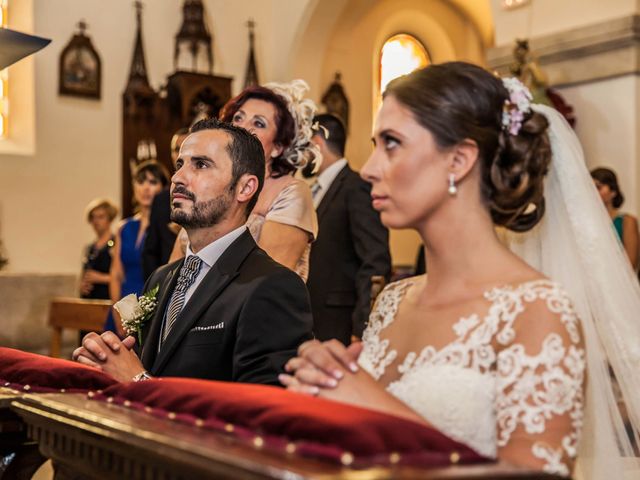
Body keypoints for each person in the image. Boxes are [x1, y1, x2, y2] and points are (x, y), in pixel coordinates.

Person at [281, 63, 640, 479]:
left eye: (392, 143)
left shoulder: (538, 311)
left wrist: (371, 405)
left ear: (459, 159)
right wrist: (332, 383)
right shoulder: (392, 301)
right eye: (375, 144)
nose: (371, 168)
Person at [73, 118, 313, 385]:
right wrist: (109, 365)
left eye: (200, 165)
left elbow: (262, 412)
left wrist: (138, 382)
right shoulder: (162, 279)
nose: (177, 178)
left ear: (245, 188)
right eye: (179, 165)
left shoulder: (273, 286)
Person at [169, 80, 319, 282]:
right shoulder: (211, 188)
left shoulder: (291, 192)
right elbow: (173, 272)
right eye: (238, 118)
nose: (244, 127)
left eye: (259, 123)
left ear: (278, 146)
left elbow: (264, 278)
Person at [307, 113, 391, 344]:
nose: (300, 156)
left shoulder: (356, 188)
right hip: (315, 317)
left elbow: (375, 259)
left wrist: (361, 328)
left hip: (341, 321)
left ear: (317, 144)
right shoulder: (314, 190)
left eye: (304, 147)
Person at [105, 161, 169, 335]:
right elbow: (116, 274)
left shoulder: (168, 228)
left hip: (152, 302)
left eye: (153, 182)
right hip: (123, 302)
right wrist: (116, 310)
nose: (146, 188)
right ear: (134, 187)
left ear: (163, 188)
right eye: (141, 181)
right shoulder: (124, 227)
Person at [142, 128, 189, 280]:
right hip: (165, 278)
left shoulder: (206, 193)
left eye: (185, 147)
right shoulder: (161, 199)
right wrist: (156, 286)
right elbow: (151, 249)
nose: (180, 153)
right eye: (176, 149)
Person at [591, 167, 639, 271]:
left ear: (613, 191)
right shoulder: (588, 222)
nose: (593, 192)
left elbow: (631, 262)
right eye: (590, 188)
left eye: (598, 187)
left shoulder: (627, 221)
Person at [79, 198, 118, 300]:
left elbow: (123, 277)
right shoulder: (90, 248)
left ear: (109, 219)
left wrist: (100, 278)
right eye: (93, 218)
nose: (96, 222)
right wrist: (82, 286)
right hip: (90, 300)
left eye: (100, 217)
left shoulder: (116, 244)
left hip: (107, 299)